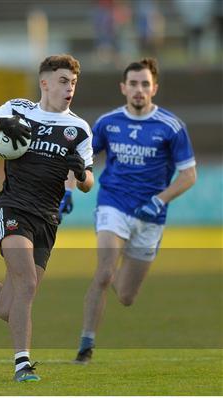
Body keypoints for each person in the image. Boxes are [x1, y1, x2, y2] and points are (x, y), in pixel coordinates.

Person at [0, 54, 94, 382]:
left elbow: (87, 184)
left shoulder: (79, 129)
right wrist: (2, 123)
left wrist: (82, 175)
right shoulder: (19, 109)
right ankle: (23, 365)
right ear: (45, 83)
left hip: (48, 220)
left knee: (7, 306)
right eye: (64, 81)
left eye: (74, 83)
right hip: (13, 208)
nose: (70, 88)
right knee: (27, 283)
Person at [74, 58, 196, 363]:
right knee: (103, 273)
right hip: (113, 204)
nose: (139, 89)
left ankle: (118, 275)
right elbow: (80, 159)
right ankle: (85, 346)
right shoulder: (107, 123)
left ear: (154, 88)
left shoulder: (171, 127)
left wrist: (159, 200)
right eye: (133, 84)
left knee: (126, 296)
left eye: (145, 84)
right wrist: (68, 188)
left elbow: (188, 175)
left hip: (151, 216)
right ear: (123, 88)